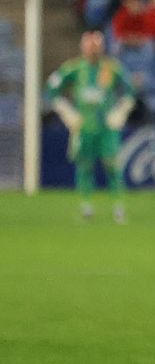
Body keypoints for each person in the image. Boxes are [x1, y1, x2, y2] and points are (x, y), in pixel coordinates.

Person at [46, 29, 136, 222]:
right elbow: (52, 87)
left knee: (112, 167)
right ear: (83, 47)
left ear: (102, 47)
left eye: (96, 46)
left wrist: (121, 111)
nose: (93, 50)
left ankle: (118, 206)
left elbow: (130, 89)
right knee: (84, 166)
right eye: (89, 46)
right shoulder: (74, 69)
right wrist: (66, 111)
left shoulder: (112, 68)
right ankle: (86, 206)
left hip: (107, 128)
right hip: (83, 127)